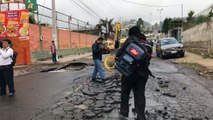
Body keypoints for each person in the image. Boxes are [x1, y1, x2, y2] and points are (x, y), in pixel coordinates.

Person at [116, 26, 153, 120]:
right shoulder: (146, 43)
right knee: (140, 94)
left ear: (131, 33)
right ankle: (140, 116)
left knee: (125, 92)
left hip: (129, 73)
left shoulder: (130, 40)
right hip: (142, 74)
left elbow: (118, 55)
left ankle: (124, 114)